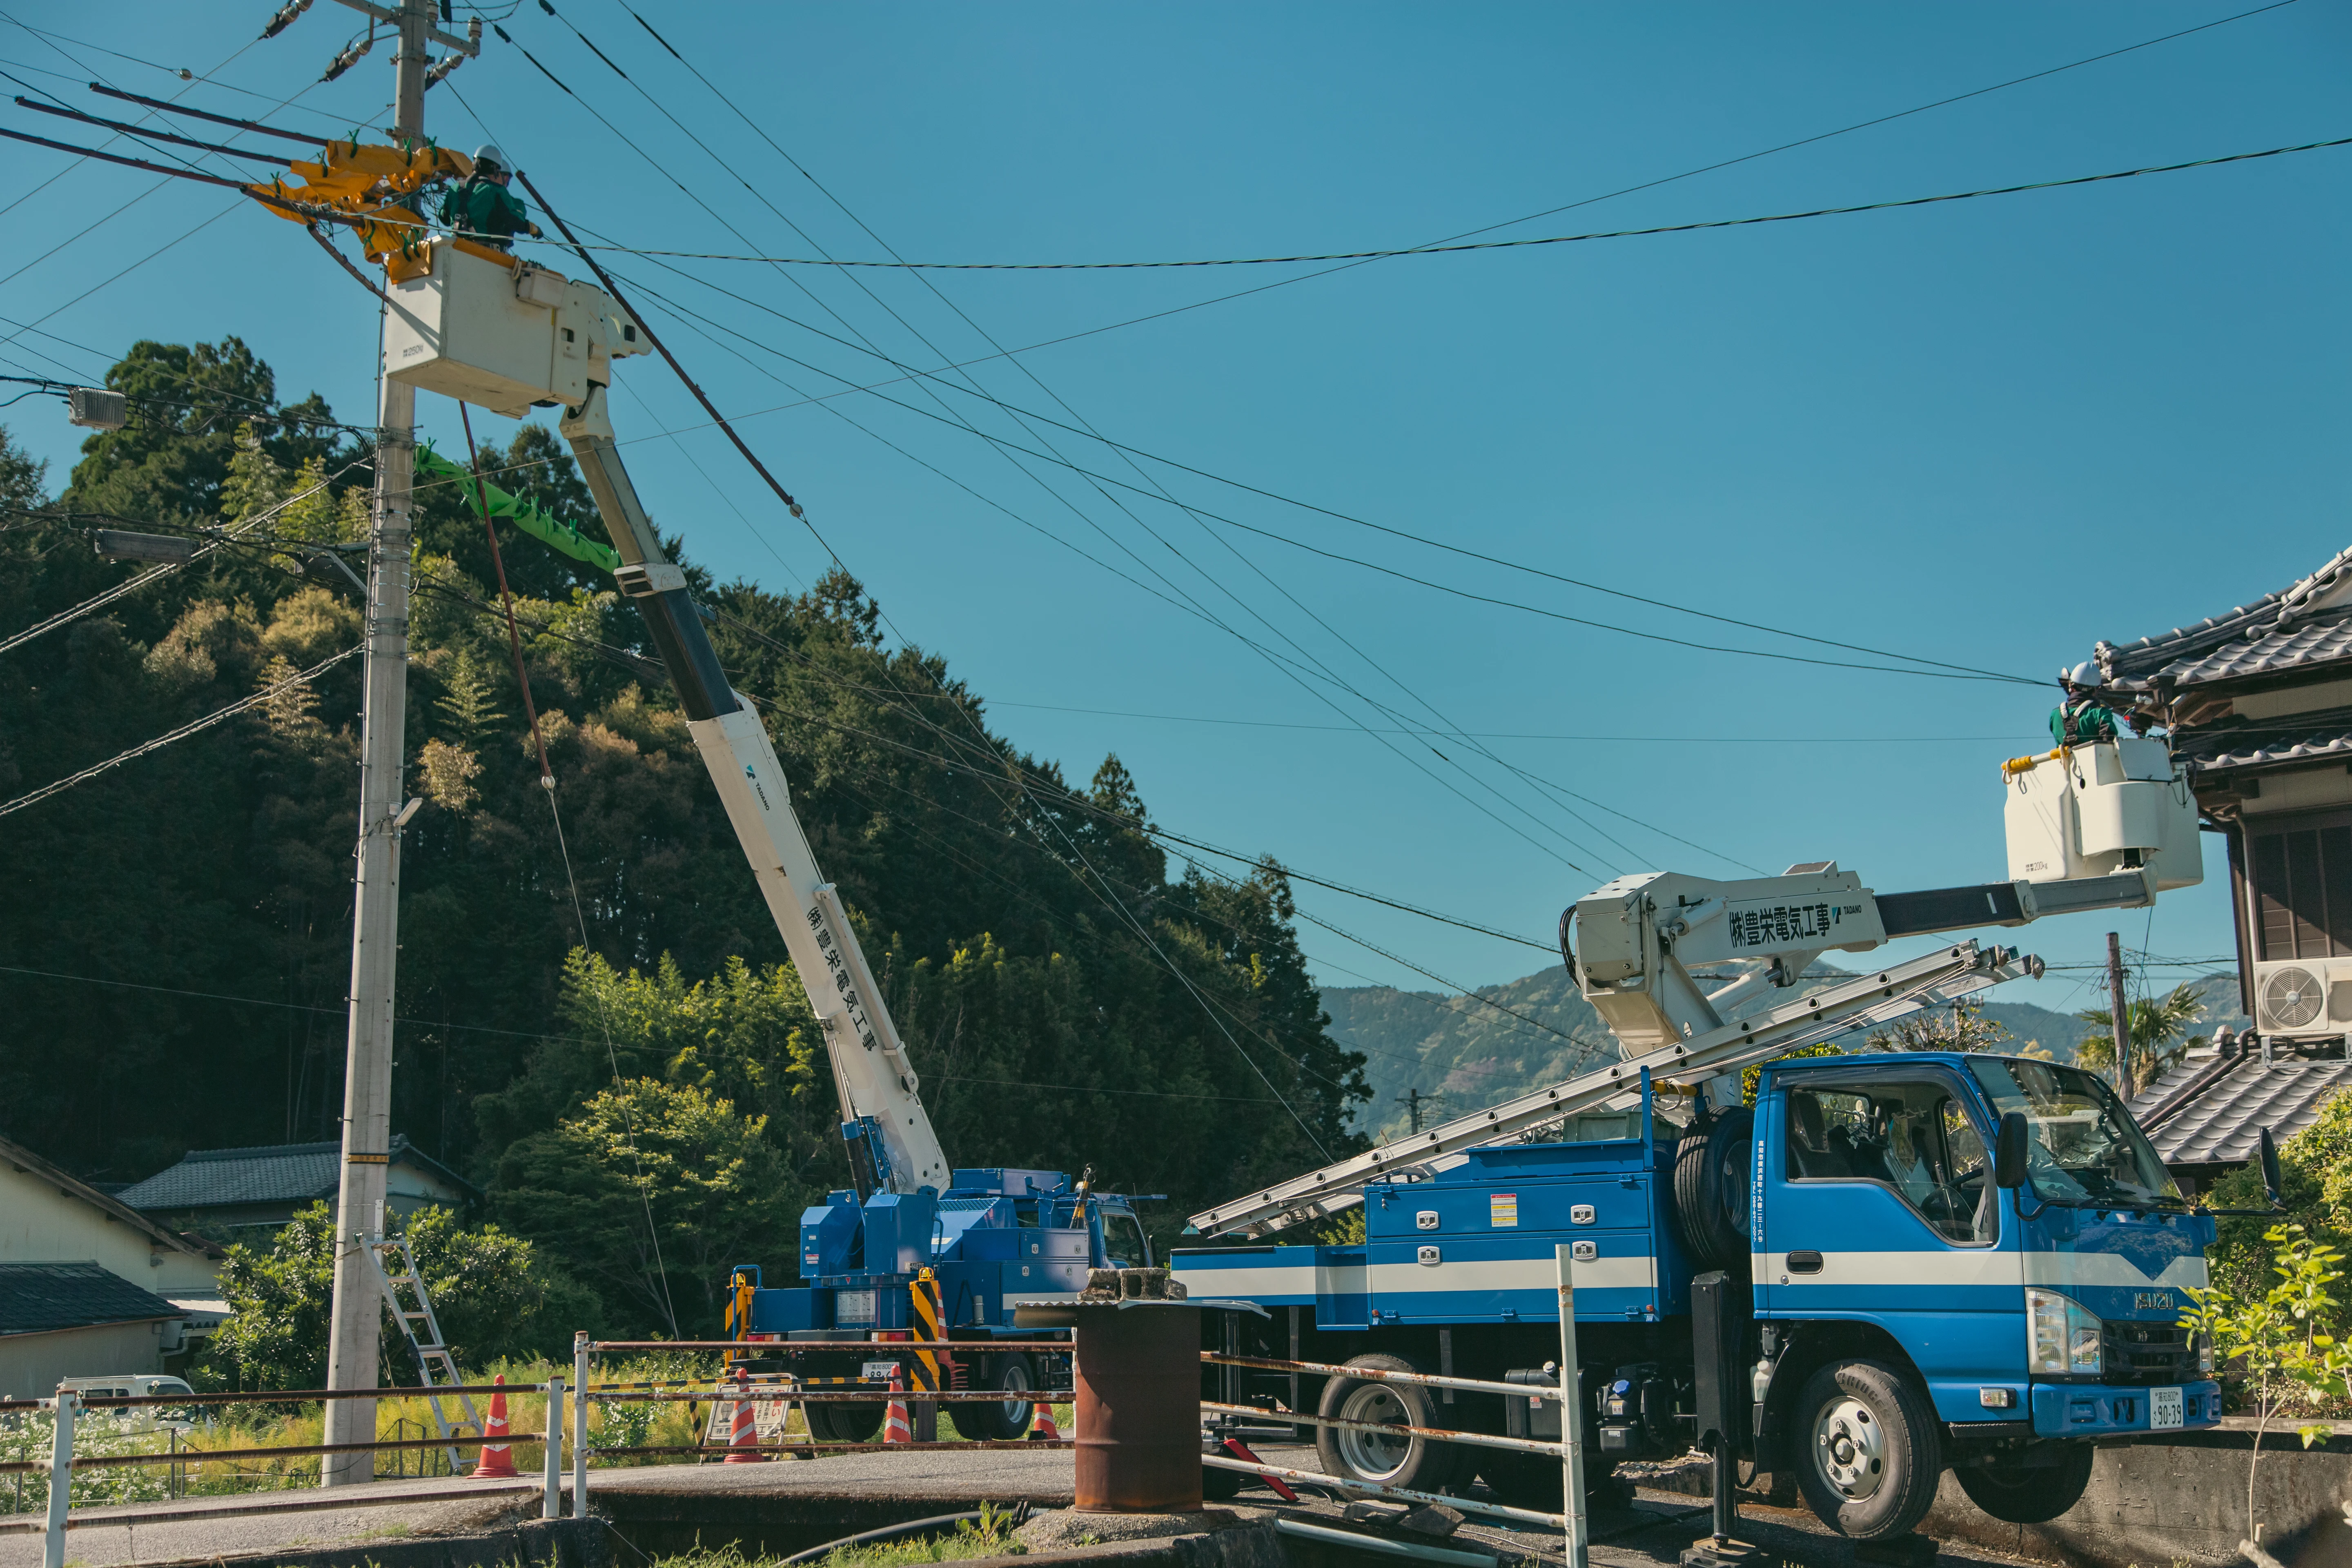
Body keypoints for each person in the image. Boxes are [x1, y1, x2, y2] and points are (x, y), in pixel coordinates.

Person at [438, 144, 543, 251]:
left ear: (474, 163)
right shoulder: (495, 190)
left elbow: (444, 219)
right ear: (495, 169)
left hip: (455, 247)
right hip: (485, 254)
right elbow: (512, 220)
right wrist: (531, 228)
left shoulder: (456, 188)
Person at [2049, 661, 2131, 748]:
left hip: (2064, 757)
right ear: (2096, 690)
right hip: (2097, 756)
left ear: (2071, 687)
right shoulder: (2100, 713)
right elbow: (2110, 742)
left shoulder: (2055, 714)